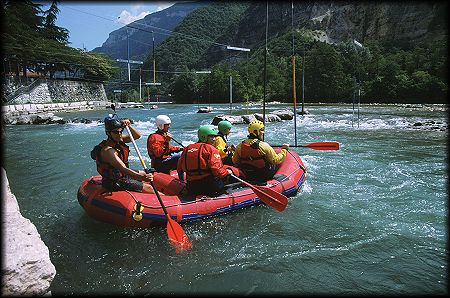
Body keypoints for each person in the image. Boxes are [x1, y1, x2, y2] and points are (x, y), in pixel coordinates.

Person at [91, 115, 158, 194]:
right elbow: (123, 169)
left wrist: (128, 126)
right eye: (115, 132)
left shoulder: (119, 140)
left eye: (120, 131)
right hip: (115, 181)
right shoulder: (108, 151)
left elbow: (137, 136)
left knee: (148, 174)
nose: (119, 134)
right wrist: (142, 177)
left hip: (122, 175)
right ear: (108, 133)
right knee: (148, 187)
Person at [177, 125, 241, 198]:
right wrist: (227, 172)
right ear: (204, 137)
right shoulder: (211, 149)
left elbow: (179, 169)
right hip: (210, 187)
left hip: (191, 187)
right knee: (231, 175)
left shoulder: (187, 149)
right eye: (211, 137)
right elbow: (217, 171)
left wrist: (183, 182)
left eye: (214, 137)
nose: (214, 139)